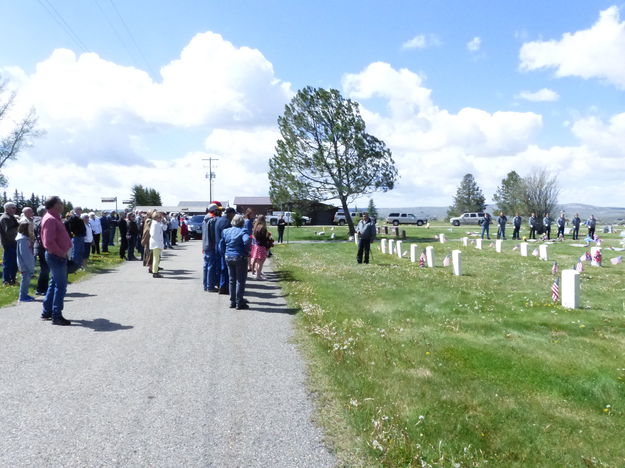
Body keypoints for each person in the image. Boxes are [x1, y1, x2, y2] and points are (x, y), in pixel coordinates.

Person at [41, 196, 73, 326]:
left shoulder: (54, 218)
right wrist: (61, 253)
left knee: (54, 283)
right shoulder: (50, 219)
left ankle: (47, 311)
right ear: (55, 205)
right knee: (61, 287)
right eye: (60, 202)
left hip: (57, 256)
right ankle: (56, 315)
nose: (63, 204)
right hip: (56, 256)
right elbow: (48, 242)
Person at [221, 214, 252, 310]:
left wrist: (225, 252)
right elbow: (247, 241)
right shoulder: (243, 231)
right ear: (242, 222)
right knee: (240, 280)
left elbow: (222, 243)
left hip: (228, 256)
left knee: (231, 280)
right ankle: (239, 302)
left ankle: (232, 301)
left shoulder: (226, 231)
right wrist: (247, 251)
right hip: (239, 256)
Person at [214, 207, 236, 294]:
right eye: (234, 214)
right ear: (230, 213)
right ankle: (223, 287)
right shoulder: (227, 222)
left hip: (217, 245)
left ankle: (220, 284)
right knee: (224, 268)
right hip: (223, 246)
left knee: (219, 267)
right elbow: (227, 237)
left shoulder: (218, 220)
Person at [16, 212, 36, 302]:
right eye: (30, 227)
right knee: (25, 280)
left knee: (27, 280)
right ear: (25, 228)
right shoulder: (23, 240)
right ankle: (22, 296)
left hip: (26, 264)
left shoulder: (25, 238)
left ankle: (25, 294)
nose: (32, 229)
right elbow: (25, 254)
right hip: (25, 264)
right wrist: (30, 266)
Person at [202, 204, 219, 292]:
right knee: (211, 266)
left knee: (206, 266)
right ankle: (210, 286)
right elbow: (213, 235)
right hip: (211, 245)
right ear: (214, 210)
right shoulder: (212, 220)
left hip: (205, 245)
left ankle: (206, 285)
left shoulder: (204, 219)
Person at [0, 202, 19, 285]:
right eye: (13, 208)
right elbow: (8, 231)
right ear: (7, 209)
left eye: (15, 208)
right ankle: (6, 281)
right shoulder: (5, 218)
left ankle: (12, 279)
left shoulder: (11, 217)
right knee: (8, 262)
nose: (15, 209)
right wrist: (19, 227)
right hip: (8, 243)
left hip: (13, 242)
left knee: (14, 262)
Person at [33, 206, 50, 295]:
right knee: (45, 268)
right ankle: (41, 289)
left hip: (43, 247)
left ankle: (43, 288)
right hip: (42, 247)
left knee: (46, 268)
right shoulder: (39, 220)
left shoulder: (39, 220)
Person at [251, 215, 271, 280]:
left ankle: (257, 274)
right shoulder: (263, 228)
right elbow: (264, 239)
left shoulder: (255, 227)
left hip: (256, 246)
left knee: (257, 261)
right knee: (261, 262)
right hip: (261, 247)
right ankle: (258, 276)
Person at [149, 212, 165, 278]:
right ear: (156, 217)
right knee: (156, 258)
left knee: (157, 258)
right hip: (156, 243)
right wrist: (159, 240)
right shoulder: (155, 224)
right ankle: (155, 272)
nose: (161, 218)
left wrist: (164, 223)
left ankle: (155, 271)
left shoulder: (157, 223)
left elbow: (164, 228)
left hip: (157, 242)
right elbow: (153, 234)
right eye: (160, 217)